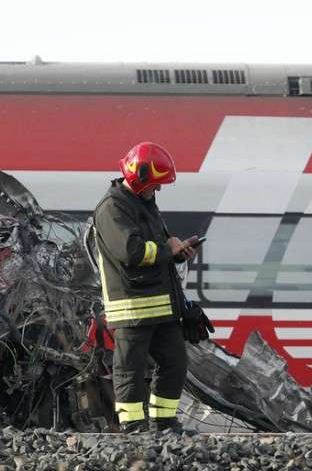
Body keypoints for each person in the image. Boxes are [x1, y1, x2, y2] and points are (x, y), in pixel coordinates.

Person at [92, 142, 197, 433]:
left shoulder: (144, 203)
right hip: (132, 306)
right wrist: (167, 249)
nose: (159, 189)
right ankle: (133, 427)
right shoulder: (112, 207)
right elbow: (131, 251)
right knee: (130, 369)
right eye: (156, 183)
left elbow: (157, 250)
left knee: (175, 362)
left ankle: (165, 424)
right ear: (139, 177)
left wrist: (177, 253)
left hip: (161, 304)